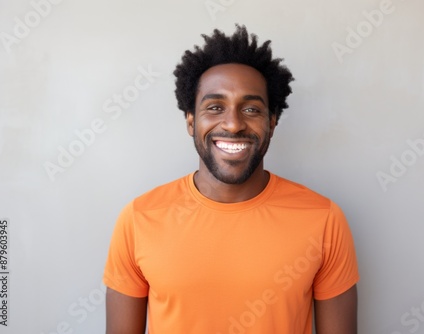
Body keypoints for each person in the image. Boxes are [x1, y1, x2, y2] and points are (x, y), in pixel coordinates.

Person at [104, 25, 360, 334]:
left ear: (273, 121)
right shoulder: (138, 219)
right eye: (215, 107)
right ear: (190, 120)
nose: (234, 124)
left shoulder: (324, 220)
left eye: (251, 108)